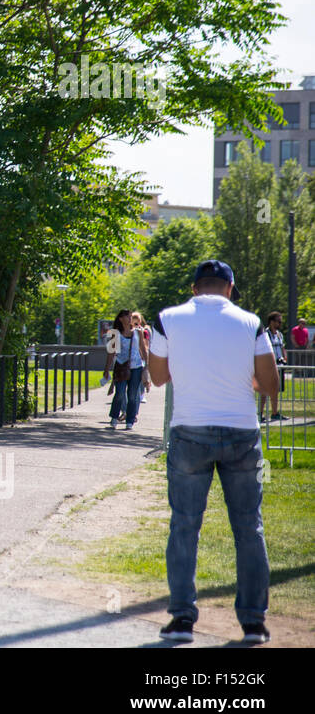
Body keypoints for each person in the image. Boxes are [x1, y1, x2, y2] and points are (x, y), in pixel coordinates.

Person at [147, 259, 276, 645]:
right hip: (241, 431)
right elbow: (270, 384)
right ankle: (254, 623)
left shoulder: (167, 318)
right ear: (231, 288)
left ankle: (182, 619)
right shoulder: (251, 322)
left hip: (190, 430)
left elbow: (157, 377)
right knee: (249, 527)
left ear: (194, 288)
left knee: (185, 525)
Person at [102, 309, 147, 429]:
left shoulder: (138, 332)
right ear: (121, 318)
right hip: (121, 367)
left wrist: (147, 365)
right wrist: (106, 370)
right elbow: (111, 353)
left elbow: (142, 349)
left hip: (136, 367)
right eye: (127, 316)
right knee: (120, 393)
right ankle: (114, 417)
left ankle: (130, 420)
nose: (130, 318)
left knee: (132, 395)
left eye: (131, 316)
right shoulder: (115, 333)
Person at [261, 312, 286, 423]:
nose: (280, 323)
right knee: (264, 391)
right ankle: (260, 414)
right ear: (272, 322)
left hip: (279, 365)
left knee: (275, 390)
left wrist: (284, 359)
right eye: (278, 321)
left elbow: (282, 348)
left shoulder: (279, 334)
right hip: (268, 365)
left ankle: (274, 413)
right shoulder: (265, 334)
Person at [133, 312, 153, 403]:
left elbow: (146, 344)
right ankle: (137, 394)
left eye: (137, 323)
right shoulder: (129, 332)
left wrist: (145, 355)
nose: (135, 325)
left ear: (140, 322)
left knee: (143, 377)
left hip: (142, 356)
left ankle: (142, 394)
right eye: (133, 323)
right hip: (134, 357)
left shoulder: (143, 331)